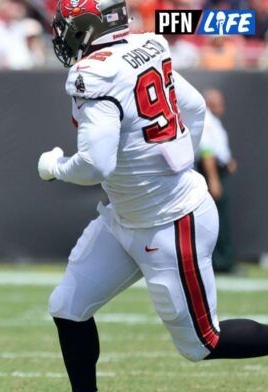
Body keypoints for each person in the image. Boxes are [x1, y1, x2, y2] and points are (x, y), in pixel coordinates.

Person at [38, 0, 268, 390]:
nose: (64, 34)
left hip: (170, 223)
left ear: (92, 25)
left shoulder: (94, 73)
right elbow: (194, 107)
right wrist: (178, 160)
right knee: (68, 308)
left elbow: (96, 166)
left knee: (202, 343)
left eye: (70, 25)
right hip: (126, 217)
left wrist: (54, 168)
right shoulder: (146, 48)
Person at [197, 88, 237, 273]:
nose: (222, 105)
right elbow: (206, 152)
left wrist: (227, 160)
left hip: (218, 172)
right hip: (210, 174)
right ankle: (219, 262)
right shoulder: (206, 121)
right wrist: (213, 180)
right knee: (216, 219)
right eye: (218, 102)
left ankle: (223, 260)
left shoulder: (213, 121)